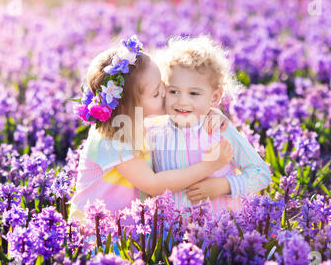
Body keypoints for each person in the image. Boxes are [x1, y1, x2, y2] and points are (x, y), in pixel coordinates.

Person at [68, 35, 233, 226]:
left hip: (128, 230)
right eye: (156, 93)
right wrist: (209, 166)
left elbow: (182, 115)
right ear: (129, 108)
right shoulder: (111, 139)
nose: (165, 92)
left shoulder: (142, 123)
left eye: (162, 83)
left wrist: (209, 113)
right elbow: (154, 185)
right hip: (95, 234)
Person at [149, 35, 272, 213]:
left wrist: (223, 186)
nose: (182, 101)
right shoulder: (154, 132)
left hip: (220, 232)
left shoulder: (218, 130)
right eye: (173, 91)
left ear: (214, 97)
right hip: (171, 234)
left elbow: (260, 172)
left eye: (194, 93)